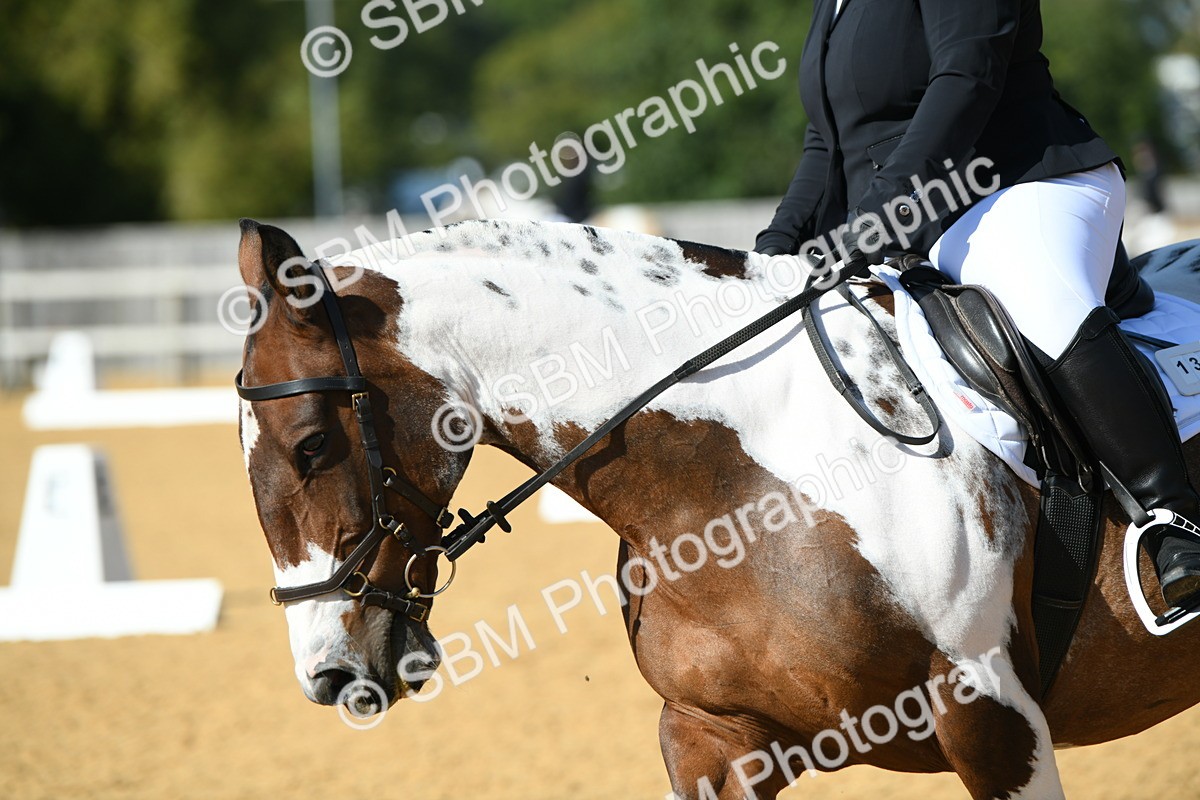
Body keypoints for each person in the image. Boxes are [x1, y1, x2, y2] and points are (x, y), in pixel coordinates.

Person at [755, 0, 1200, 609]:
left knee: (1036, 303)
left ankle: (1174, 518)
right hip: (907, 216)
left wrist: (880, 210)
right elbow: (826, 144)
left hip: (1021, 180)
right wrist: (777, 249)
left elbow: (967, 76)